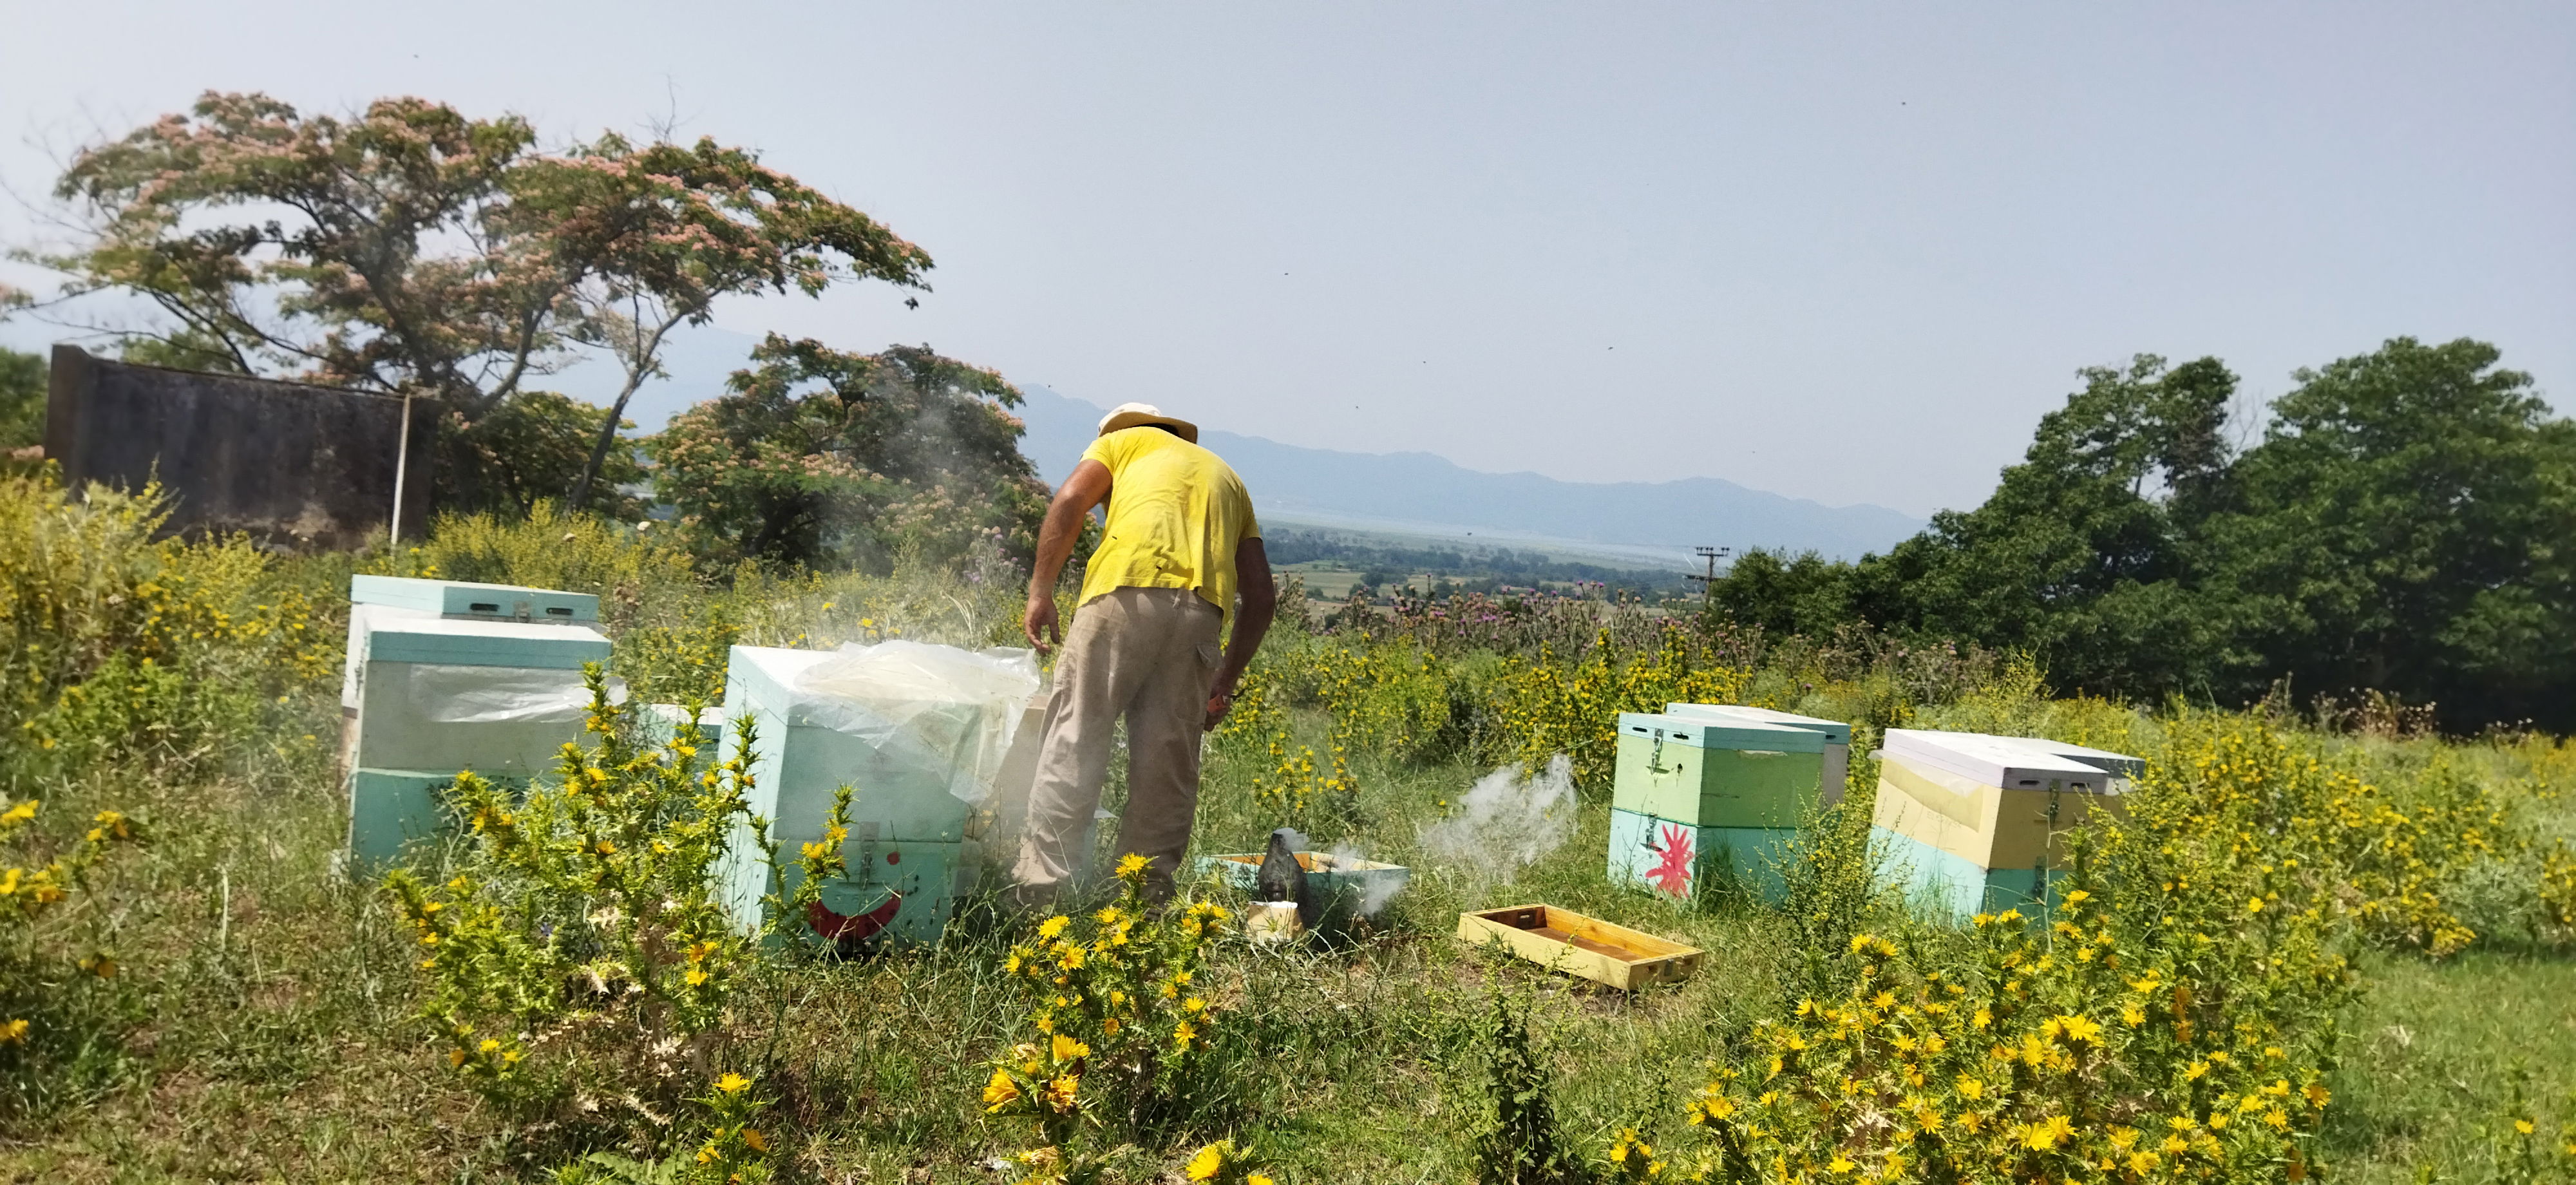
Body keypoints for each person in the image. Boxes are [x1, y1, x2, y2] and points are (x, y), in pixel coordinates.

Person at [1014, 402, 1275, 902]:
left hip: (1121, 594)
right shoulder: (1226, 476)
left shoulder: (1121, 443)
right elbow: (1261, 595)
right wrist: (1225, 680)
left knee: (1077, 738)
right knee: (1167, 768)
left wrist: (1040, 591)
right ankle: (1139, 906)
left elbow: (1070, 500)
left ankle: (1041, 898)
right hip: (1201, 618)